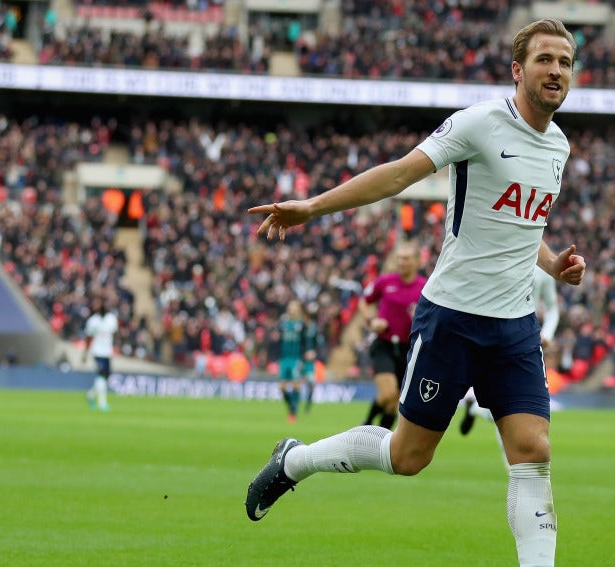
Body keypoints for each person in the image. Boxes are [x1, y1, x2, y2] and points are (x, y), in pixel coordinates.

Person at [245, 19, 584, 567]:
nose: (556, 71)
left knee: (534, 452)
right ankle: (295, 461)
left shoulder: (559, 147)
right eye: (545, 60)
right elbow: (399, 174)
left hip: (515, 325)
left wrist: (553, 265)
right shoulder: (479, 124)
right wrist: (311, 207)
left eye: (565, 62)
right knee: (407, 457)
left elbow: (523, 227)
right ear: (519, 70)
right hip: (453, 317)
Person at [461, 265, 560, 436]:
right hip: (493, 336)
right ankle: (476, 409)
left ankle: (475, 409)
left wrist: (547, 335)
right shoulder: (498, 256)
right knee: (505, 406)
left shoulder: (543, 267)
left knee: (521, 409)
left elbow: (553, 308)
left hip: (527, 341)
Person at [360, 241, 427, 430]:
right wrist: (372, 321)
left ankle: (379, 438)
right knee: (389, 393)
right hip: (384, 344)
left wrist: (421, 317)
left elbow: (434, 315)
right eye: (399, 258)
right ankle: (366, 424)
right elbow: (364, 302)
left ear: (416, 261)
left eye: (405, 258)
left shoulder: (426, 287)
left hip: (408, 348)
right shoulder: (385, 282)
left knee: (393, 401)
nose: (401, 262)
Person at [82, 297, 118, 412]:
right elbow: (88, 337)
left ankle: (91, 395)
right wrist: (85, 353)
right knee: (101, 374)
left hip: (107, 352)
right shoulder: (93, 321)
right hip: (97, 352)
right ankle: (102, 403)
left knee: (104, 377)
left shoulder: (111, 319)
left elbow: (114, 334)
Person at [277, 300, 306, 423]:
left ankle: (293, 412)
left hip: (296, 359)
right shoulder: (283, 323)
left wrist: (303, 358)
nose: (291, 309)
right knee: (282, 387)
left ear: (298, 309)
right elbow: (279, 341)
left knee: (295, 385)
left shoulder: (301, 325)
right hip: (284, 359)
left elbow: (306, 343)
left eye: (294, 307)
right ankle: (291, 405)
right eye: (290, 306)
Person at [301, 303, 326, 414]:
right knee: (295, 382)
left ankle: (307, 406)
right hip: (299, 360)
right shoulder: (300, 327)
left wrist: (314, 353)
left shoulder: (314, 329)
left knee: (311, 383)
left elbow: (319, 344)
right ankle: (294, 406)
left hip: (309, 362)